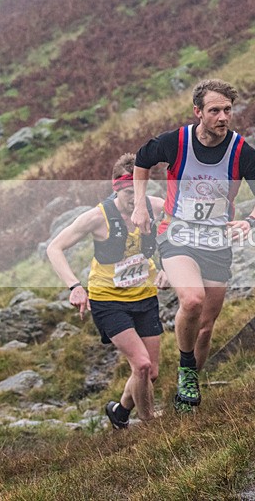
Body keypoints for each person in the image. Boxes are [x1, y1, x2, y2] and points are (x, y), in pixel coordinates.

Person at [132, 79, 255, 412]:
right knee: (193, 300)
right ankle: (185, 368)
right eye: (214, 110)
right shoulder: (176, 142)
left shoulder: (240, 150)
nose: (223, 117)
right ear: (198, 112)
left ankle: (187, 393)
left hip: (217, 240)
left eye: (227, 110)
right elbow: (142, 160)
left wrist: (250, 220)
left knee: (206, 326)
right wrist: (140, 204)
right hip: (177, 233)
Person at [47, 153, 167, 428]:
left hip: (145, 297)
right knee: (142, 365)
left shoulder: (156, 206)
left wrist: (168, 266)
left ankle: (120, 412)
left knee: (152, 372)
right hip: (108, 300)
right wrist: (75, 287)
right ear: (116, 188)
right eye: (127, 193)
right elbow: (54, 248)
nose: (133, 199)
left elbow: (183, 227)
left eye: (137, 191)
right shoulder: (96, 217)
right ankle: (149, 424)